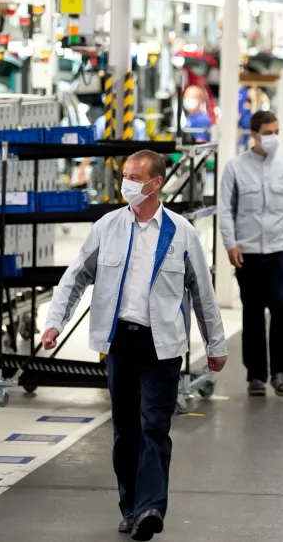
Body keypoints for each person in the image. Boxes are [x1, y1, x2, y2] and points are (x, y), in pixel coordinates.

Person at [41, 150, 227, 541]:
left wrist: (215, 343)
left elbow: (203, 293)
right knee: (126, 431)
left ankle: (151, 508)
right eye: (124, 175)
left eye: (134, 176)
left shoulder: (180, 232)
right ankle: (131, 506)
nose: (126, 183)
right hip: (120, 343)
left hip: (163, 347)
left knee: (155, 427)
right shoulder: (108, 226)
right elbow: (74, 277)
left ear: (156, 183)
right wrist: (54, 322)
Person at [218, 110, 283, 397]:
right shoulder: (235, 168)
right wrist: (230, 244)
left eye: (276, 131)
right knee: (253, 314)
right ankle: (256, 375)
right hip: (248, 253)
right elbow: (225, 210)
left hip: (281, 250)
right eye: (268, 133)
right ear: (254, 135)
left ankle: (282, 371)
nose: (273, 137)